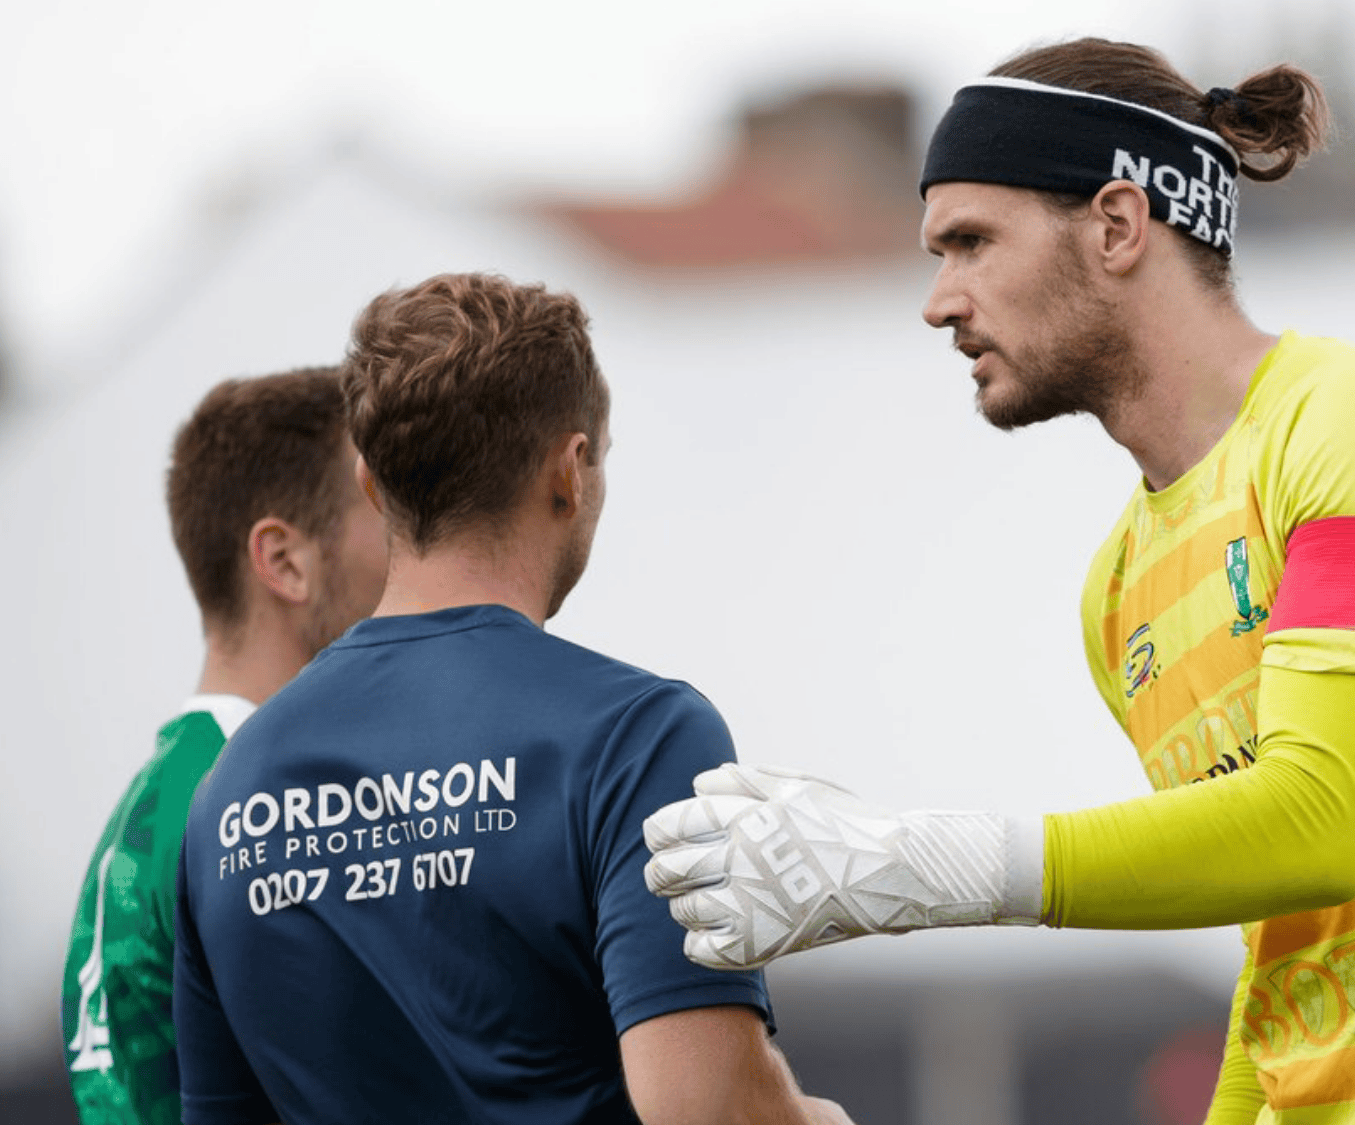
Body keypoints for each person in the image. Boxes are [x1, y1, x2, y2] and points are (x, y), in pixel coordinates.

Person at [644, 38, 1355, 1125]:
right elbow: (1283, 951)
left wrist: (919, 863)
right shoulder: (1117, 590)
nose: (938, 301)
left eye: (970, 242)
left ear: (1116, 224)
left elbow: (1318, 824)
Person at [171, 273, 847, 1125]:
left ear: (374, 487)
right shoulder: (637, 739)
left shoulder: (228, 791)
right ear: (571, 471)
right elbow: (705, 1109)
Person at [61, 366, 389, 1125]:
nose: (419, 557)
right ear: (283, 561)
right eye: (390, 513)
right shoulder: (263, 813)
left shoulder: (167, 802)